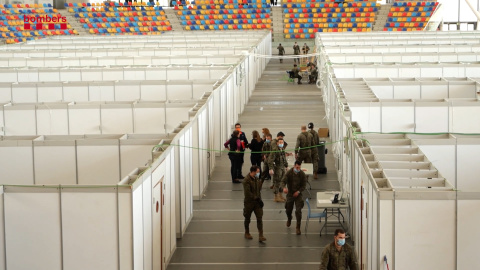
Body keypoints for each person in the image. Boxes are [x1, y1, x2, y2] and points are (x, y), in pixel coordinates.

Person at [280, 160, 307, 235]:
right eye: (297, 167)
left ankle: (298, 227)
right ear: (294, 166)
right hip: (290, 194)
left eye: (299, 168)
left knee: (298, 211)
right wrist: (284, 188)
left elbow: (304, 186)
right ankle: (289, 218)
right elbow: (283, 181)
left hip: (298, 194)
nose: (298, 169)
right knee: (288, 209)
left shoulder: (302, 174)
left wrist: (298, 192)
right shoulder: (289, 173)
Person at [243, 165, 266, 242]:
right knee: (247, 218)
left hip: (257, 203)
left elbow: (258, 190)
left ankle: (261, 235)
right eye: (257, 172)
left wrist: (262, 180)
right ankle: (247, 232)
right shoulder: (246, 180)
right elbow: (247, 193)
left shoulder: (256, 179)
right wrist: (256, 198)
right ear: (253, 171)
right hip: (249, 203)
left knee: (259, 218)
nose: (258, 173)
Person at [267, 138, 288, 203]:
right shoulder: (275, 151)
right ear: (277, 143)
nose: (281, 144)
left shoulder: (282, 150)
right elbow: (270, 160)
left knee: (282, 182)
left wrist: (286, 166)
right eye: (280, 142)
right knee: (277, 182)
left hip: (282, 168)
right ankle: (276, 197)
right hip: (277, 168)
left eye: (282, 142)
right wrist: (271, 168)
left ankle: (280, 195)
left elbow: (284, 159)